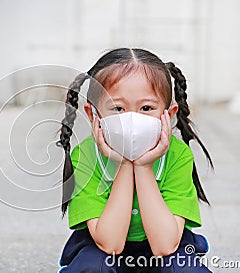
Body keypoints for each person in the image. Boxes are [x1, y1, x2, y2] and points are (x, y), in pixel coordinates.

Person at [56, 48, 213, 272]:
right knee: (92, 266)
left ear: (168, 115)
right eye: (118, 108)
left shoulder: (178, 155)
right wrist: (121, 166)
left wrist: (143, 166)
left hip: (164, 248)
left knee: (185, 268)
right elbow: (109, 243)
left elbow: (165, 245)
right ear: (93, 115)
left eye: (146, 108)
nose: (132, 119)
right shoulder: (85, 157)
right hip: (102, 249)